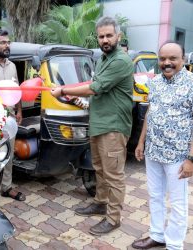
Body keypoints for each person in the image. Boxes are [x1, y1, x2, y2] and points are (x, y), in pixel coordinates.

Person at [51, 16, 133, 235]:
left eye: (109, 35)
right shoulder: (104, 59)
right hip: (99, 124)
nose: (105, 39)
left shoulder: (120, 61)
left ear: (118, 36)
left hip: (113, 127)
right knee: (100, 169)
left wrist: (64, 90)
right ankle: (100, 202)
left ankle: (113, 218)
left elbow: (95, 88)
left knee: (114, 175)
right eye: (101, 36)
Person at [131, 41, 193, 250]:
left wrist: (191, 159)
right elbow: (150, 112)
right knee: (154, 195)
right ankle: (157, 235)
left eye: (172, 58)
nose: (167, 63)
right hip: (153, 150)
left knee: (177, 203)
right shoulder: (155, 82)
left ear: (182, 60)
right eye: (163, 58)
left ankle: (174, 245)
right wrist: (141, 142)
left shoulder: (192, 83)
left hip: (178, 155)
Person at [0, 29, 26, 201]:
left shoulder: (12, 66)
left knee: (8, 153)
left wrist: (19, 110)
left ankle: (6, 187)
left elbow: (16, 90)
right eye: (3, 42)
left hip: (9, 118)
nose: (7, 45)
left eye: (8, 42)